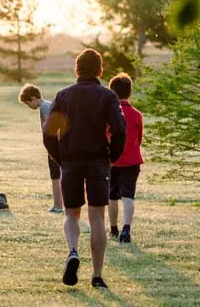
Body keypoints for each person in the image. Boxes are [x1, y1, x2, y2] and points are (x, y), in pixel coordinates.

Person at [45, 49, 126, 290]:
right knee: (97, 217)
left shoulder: (63, 95)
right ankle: (97, 274)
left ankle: (72, 251)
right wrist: (113, 157)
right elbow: (120, 130)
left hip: (70, 161)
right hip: (98, 161)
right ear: (100, 70)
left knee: (71, 214)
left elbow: (49, 133)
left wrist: (61, 158)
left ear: (77, 69)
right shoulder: (108, 96)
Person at [107, 73, 144, 244]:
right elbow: (139, 138)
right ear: (129, 92)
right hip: (132, 160)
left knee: (112, 196)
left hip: (112, 160)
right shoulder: (136, 114)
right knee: (128, 196)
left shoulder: (108, 115)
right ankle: (126, 229)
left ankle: (113, 228)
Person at [18, 84, 63, 213]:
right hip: (52, 148)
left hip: (56, 148)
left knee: (56, 176)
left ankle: (59, 206)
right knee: (55, 176)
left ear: (33, 99)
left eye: (28, 103)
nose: (29, 107)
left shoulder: (46, 107)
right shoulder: (45, 107)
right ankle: (58, 205)